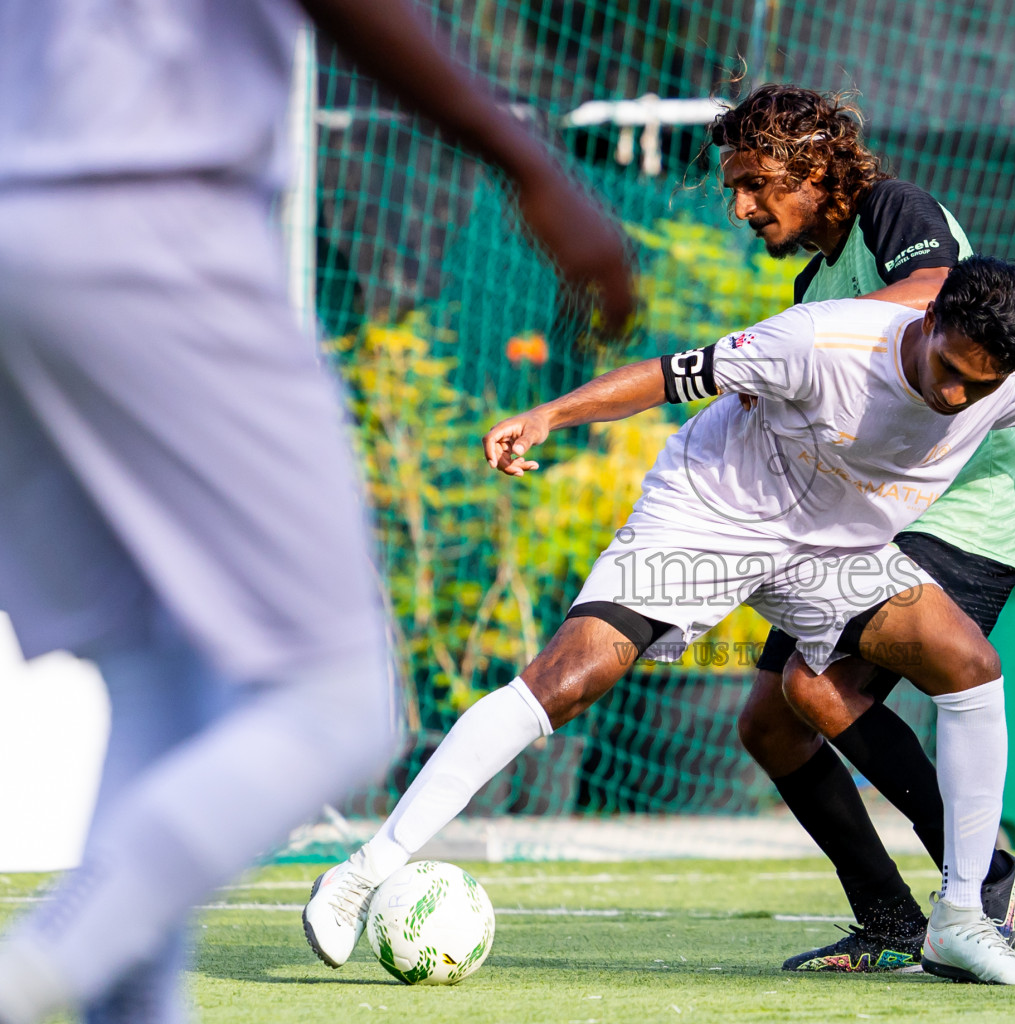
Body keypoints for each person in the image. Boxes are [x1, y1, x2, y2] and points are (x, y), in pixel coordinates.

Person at [304, 255, 1015, 986]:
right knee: (572, 677)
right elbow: (666, 377)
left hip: (831, 549)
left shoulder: (1000, 379)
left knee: (967, 662)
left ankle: (963, 921)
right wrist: (549, 413)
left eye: (977, 390)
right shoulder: (819, 344)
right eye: (947, 373)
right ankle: (360, 875)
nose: (954, 399)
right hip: (712, 514)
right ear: (930, 322)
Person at [0, 2, 634, 1022]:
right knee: (339, 701)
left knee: (158, 673)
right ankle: (36, 969)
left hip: (16, 230)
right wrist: (533, 166)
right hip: (154, 219)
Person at [712, 84, 1015, 972]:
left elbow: (932, 288)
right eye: (735, 190)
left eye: (759, 184)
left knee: (820, 694)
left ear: (817, 170)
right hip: (866, 524)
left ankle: (991, 878)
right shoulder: (812, 283)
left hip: (963, 516)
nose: (744, 206)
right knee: (771, 725)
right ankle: (892, 919)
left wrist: (798, 340)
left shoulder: (895, 212)